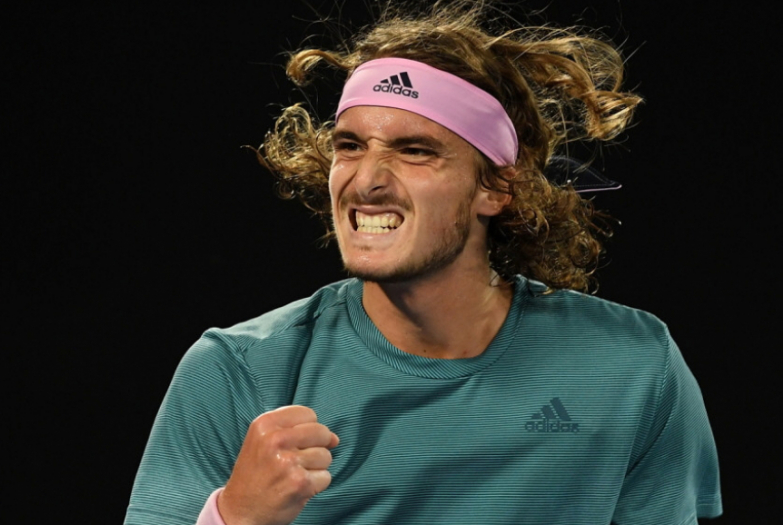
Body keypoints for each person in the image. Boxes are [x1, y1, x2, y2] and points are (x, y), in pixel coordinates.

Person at [124, 2, 722, 524]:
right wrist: (234, 517)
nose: (367, 180)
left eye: (414, 151)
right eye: (350, 146)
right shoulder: (235, 371)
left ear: (496, 187)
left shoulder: (635, 366)